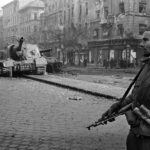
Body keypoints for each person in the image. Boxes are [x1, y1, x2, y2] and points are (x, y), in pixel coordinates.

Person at [101, 31, 150, 150]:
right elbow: (134, 96)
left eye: (145, 40)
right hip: (135, 134)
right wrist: (116, 107)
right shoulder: (145, 67)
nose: (141, 44)